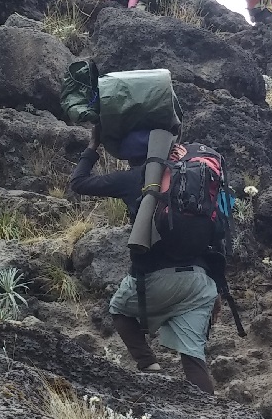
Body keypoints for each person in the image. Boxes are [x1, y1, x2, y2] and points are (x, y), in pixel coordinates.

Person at [69, 125, 220, 394]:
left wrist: (92, 148)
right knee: (194, 358)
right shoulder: (192, 176)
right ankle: (213, 411)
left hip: (154, 278)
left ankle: (149, 366)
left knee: (119, 310)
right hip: (200, 282)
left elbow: (78, 183)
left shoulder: (133, 178)